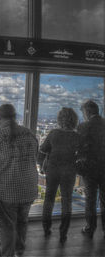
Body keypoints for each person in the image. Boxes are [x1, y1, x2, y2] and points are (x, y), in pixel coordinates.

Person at [0, 104, 38, 257]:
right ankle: (19, 249)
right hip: (29, 187)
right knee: (22, 220)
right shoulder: (30, 134)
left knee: (7, 225)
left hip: (5, 190)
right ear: (15, 116)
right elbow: (36, 157)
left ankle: (6, 254)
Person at [38, 107, 80, 243]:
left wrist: (43, 165)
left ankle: (46, 228)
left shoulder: (54, 133)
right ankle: (63, 233)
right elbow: (81, 154)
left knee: (49, 200)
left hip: (53, 170)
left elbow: (43, 150)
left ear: (60, 119)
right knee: (67, 201)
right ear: (74, 120)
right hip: (69, 171)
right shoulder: (76, 136)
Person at [77, 100, 105, 239]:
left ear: (87, 112)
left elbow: (79, 147)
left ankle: (90, 228)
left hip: (90, 168)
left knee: (90, 199)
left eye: (83, 112)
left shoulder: (83, 126)